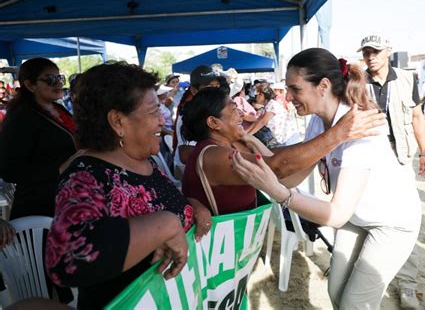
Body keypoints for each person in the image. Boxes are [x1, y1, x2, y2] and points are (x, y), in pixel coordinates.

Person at [231, 47, 421, 309]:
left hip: (391, 223)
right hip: (358, 217)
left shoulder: (358, 126)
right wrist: (255, 146)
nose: (288, 97)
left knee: (354, 304)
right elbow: (294, 175)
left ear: (323, 85)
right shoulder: (319, 122)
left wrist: (277, 193)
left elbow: (336, 215)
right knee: (336, 291)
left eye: (295, 89)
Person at [45, 62, 212, 309]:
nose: (161, 123)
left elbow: (157, 205)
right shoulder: (86, 175)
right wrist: (166, 225)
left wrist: (191, 205)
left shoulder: (143, 162)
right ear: (117, 121)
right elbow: (66, 261)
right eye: (154, 112)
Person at [359, 33, 425, 309]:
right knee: (364, 218)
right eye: (366, 52)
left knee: (405, 221)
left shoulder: (407, 79)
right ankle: (363, 272)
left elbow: (416, 116)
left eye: (375, 50)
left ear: (388, 51)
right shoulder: (356, 82)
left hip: (399, 159)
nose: (371, 56)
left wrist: (424, 151)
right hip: (366, 160)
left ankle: (408, 284)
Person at [0, 58, 77, 219]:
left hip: (68, 197)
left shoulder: (58, 108)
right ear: (30, 85)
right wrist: (59, 168)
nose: (58, 83)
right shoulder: (21, 118)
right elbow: (10, 171)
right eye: (50, 79)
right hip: (40, 205)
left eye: (59, 78)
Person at [181, 87, 259, 215]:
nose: (240, 113)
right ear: (213, 122)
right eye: (234, 109)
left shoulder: (226, 145)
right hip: (230, 234)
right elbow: (277, 168)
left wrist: (250, 139)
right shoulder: (214, 155)